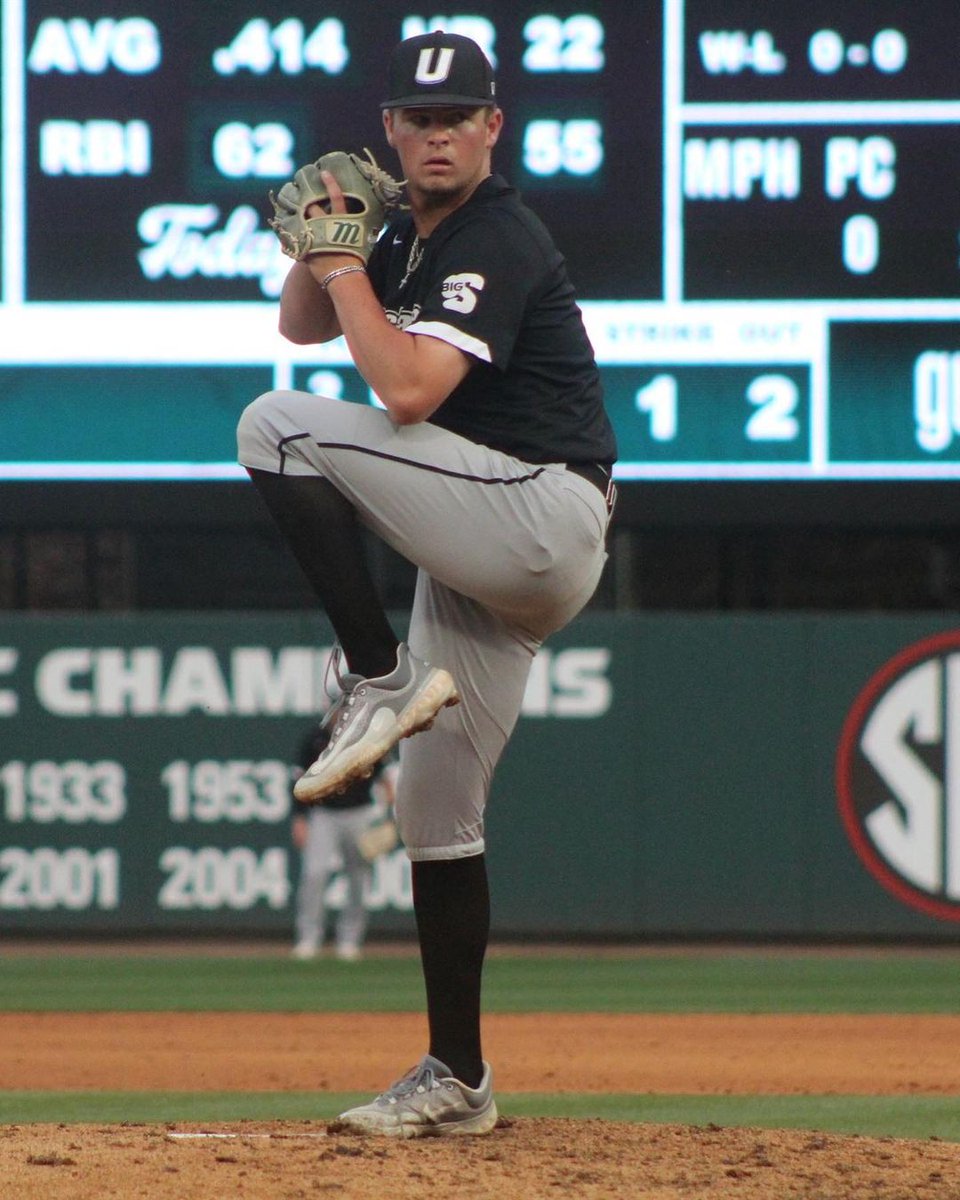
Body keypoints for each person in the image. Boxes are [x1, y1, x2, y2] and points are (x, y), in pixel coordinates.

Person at [237, 29, 616, 1137]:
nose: (438, 134)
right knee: (438, 814)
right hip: (497, 551)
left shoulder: (496, 234)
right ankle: (460, 1077)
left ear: (494, 128)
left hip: (535, 514)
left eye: (459, 118)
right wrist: (322, 248)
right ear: (391, 128)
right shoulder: (403, 224)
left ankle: (375, 675)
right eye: (419, 117)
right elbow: (298, 322)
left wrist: (348, 262)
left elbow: (403, 390)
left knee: (275, 428)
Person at [290, 724, 397, 962]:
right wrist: (299, 817)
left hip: (360, 812)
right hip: (323, 812)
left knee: (358, 877)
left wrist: (389, 805)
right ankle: (309, 938)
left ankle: (349, 939)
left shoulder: (367, 734)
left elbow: (384, 771)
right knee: (314, 873)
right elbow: (298, 778)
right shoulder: (316, 738)